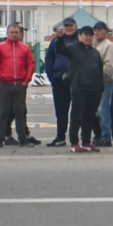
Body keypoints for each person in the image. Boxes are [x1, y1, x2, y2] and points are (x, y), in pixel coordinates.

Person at [56, 25, 106, 153]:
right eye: (85, 35)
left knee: (89, 117)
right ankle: (74, 142)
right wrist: (60, 38)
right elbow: (60, 50)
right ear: (80, 36)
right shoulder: (72, 49)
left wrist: (101, 86)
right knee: (77, 116)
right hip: (79, 88)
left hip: (94, 89)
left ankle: (86, 141)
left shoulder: (95, 52)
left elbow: (99, 70)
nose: (88, 37)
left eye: (90, 35)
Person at [0, 23, 36, 148]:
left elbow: (31, 64)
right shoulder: (0, 47)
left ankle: (23, 139)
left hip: (20, 84)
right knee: (3, 112)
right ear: (7, 33)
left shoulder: (25, 48)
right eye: (12, 32)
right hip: (5, 83)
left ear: (20, 34)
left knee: (20, 113)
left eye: (16, 32)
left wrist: (26, 80)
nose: (14, 34)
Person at [44, 18, 78, 147]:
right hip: (59, 82)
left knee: (78, 112)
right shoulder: (56, 41)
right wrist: (51, 78)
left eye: (71, 25)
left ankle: (77, 138)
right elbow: (49, 60)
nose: (68, 28)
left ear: (76, 26)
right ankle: (60, 137)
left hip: (76, 82)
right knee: (61, 112)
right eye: (66, 26)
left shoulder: (80, 40)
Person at [92, 21, 113, 147]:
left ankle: (106, 136)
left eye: (100, 30)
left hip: (105, 81)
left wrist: (99, 77)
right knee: (95, 110)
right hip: (94, 83)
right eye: (95, 30)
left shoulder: (108, 45)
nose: (97, 32)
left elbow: (109, 66)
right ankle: (98, 134)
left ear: (106, 32)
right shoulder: (94, 45)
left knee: (103, 109)